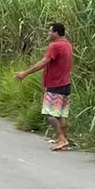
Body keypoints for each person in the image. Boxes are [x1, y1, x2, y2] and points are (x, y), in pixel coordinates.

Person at [15, 22, 74, 151]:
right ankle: (64, 140)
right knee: (61, 115)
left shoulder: (55, 46)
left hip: (55, 85)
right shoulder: (67, 45)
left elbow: (43, 62)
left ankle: (61, 139)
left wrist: (25, 73)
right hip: (66, 84)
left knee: (49, 114)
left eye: (50, 31)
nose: (48, 33)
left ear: (56, 33)